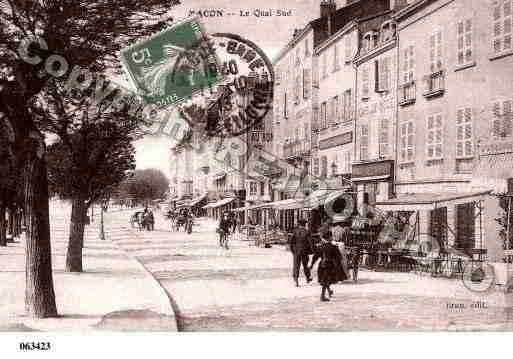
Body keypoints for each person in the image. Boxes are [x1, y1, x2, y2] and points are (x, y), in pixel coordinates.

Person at [310, 231, 345, 302]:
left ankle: (329, 291)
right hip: (330, 265)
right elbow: (339, 257)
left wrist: (311, 265)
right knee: (326, 280)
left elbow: (315, 257)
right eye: (331, 237)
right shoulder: (333, 247)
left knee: (325, 279)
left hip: (322, 265)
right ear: (330, 238)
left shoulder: (321, 247)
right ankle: (322, 296)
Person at [289, 219, 312, 287]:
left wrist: (292, 250)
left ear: (299, 224)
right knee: (305, 265)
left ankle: (296, 280)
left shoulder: (295, 231)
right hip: (304, 251)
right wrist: (311, 251)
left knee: (296, 266)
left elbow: (291, 242)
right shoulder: (307, 231)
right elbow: (310, 242)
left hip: (296, 251)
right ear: (305, 224)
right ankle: (308, 278)